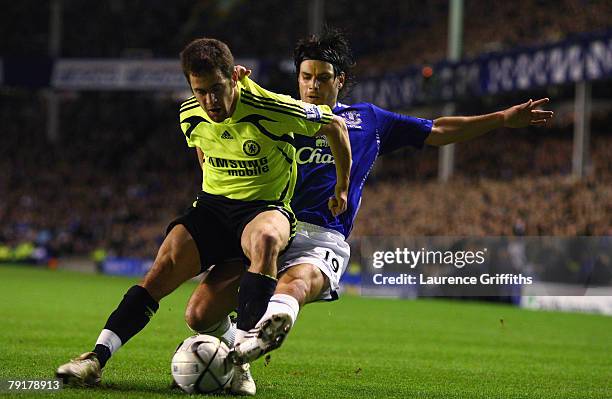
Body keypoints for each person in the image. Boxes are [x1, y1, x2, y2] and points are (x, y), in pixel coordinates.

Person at [183, 28, 554, 395]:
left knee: (293, 286)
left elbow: (437, 129)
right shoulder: (278, 113)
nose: (313, 86)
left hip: (322, 235)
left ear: (340, 80)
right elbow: (219, 126)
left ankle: (260, 338)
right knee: (200, 314)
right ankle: (238, 355)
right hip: (265, 227)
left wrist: (502, 118)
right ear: (298, 79)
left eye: (323, 78)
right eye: (306, 77)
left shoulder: (369, 120)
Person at [55, 37, 352, 390]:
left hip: (263, 208)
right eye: (200, 92)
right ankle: (95, 359)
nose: (210, 101)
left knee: (269, 236)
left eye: (216, 89)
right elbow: (203, 149)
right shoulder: (188, 115)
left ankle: (241, 360)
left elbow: (335, 125)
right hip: (212, 208)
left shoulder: (272, 107)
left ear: (234, 78)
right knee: (161, 272)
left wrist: (342, 187)